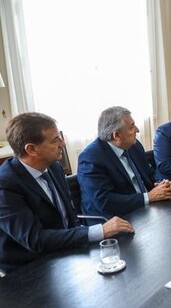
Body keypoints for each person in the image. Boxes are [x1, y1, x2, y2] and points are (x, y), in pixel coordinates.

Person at [0, 113, 134, 274]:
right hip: (27, 269)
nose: (62, 143)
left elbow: (70, 217)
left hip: (65, 253)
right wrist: (98, 231)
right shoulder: (5, 184)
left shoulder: (54, 167)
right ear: (32, 149)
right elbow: (34, 240)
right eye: (55, 140)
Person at [77, 106, 171, 221]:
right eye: (132, 127)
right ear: (116, 135)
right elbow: (105, 201)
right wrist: (148, 197)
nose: (137, 130)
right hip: (114, 220)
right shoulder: (91, 157)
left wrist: (161, 183)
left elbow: (150, 173)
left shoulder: (134, 145)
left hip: (144, 209)